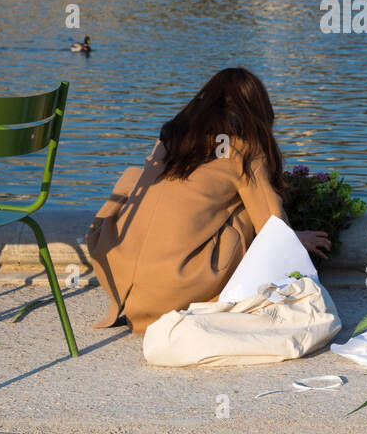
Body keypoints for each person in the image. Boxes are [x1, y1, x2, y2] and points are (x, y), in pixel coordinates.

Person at [86, 68, 332, 334]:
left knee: (142, 185)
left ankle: (143, 300)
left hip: (117, 277)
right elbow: (270, 224)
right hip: (175, 288)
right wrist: (295, 239)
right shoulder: (245, 147)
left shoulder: (170, 138)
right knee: (246, 208)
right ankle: (217, 295)